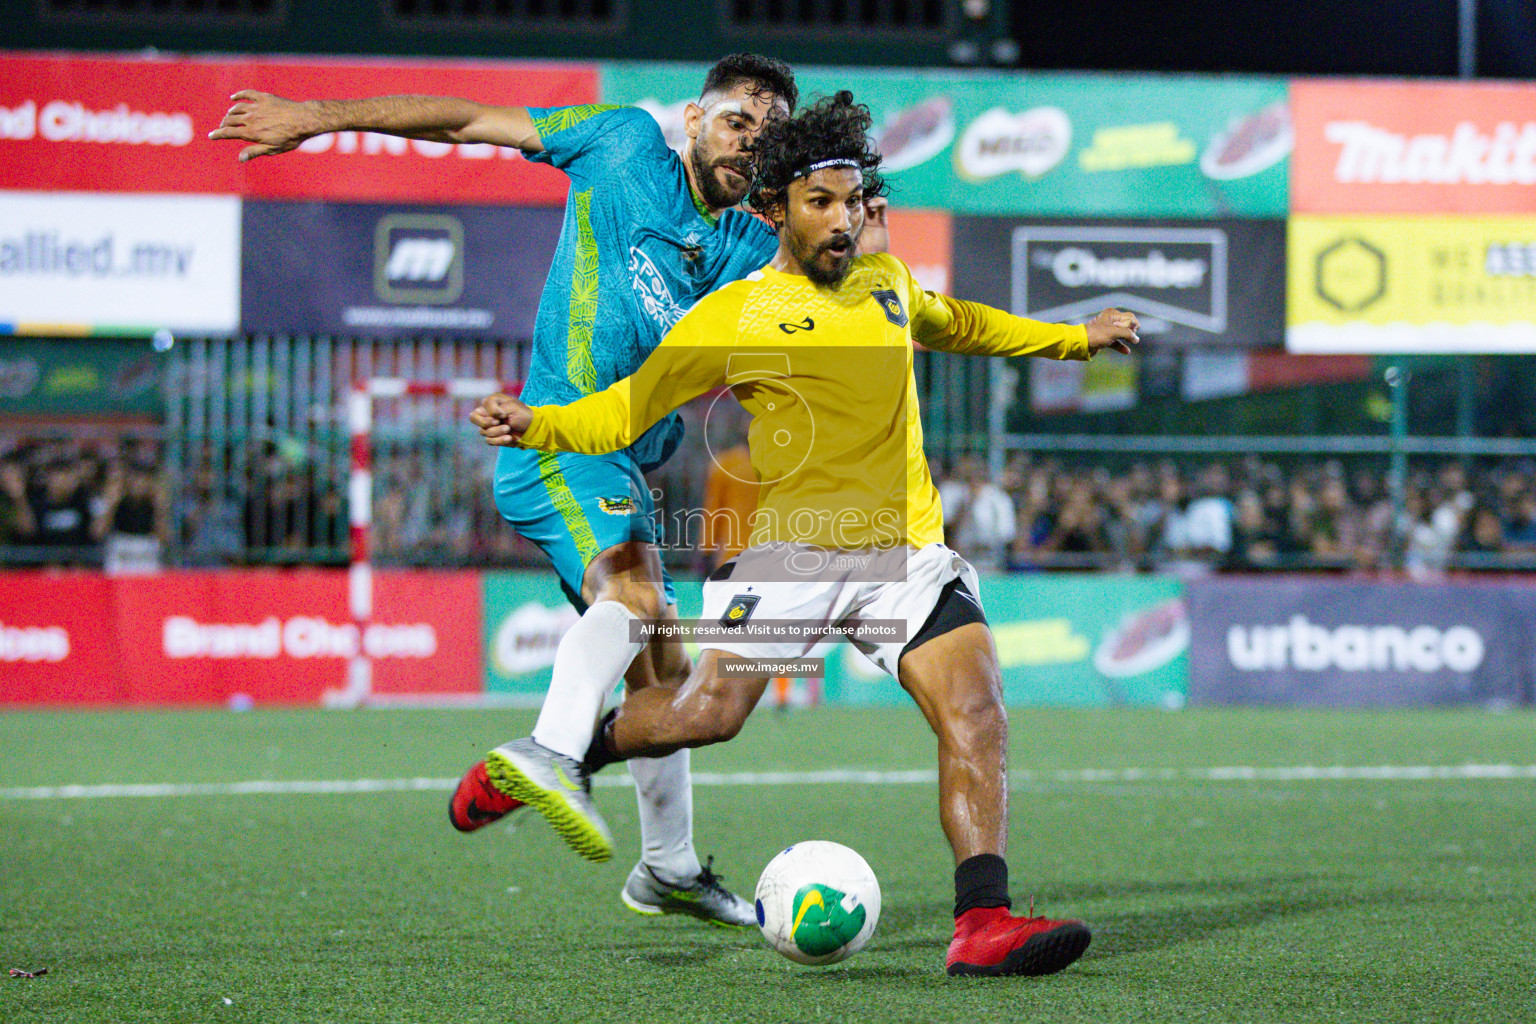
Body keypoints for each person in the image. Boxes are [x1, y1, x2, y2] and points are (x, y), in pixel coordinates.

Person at [472, 91, 1139, 977]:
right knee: (707, 715)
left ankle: (983, 920)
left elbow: (965, 325)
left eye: (851, 201)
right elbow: (624, 411)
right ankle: (562, 755)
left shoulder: (889, 286)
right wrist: (538, 426)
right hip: (793, 557)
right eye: (818, 202)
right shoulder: (734, 315)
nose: (840, 219)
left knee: (978, 711)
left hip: (905, 555)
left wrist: (1074, 339)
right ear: (775, 208)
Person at [212, 53, 828, 928]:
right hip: (556, 444)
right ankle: (549, 748)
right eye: (737, 121)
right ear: (693, 117)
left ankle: (668, 867)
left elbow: (825, 288)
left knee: (667, 679)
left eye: (768, 136)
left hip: (623, 467)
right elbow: (467, 121)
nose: (749, 143)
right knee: (640, 600)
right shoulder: (620, 145)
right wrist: (316, 114)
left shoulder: (745, 247)